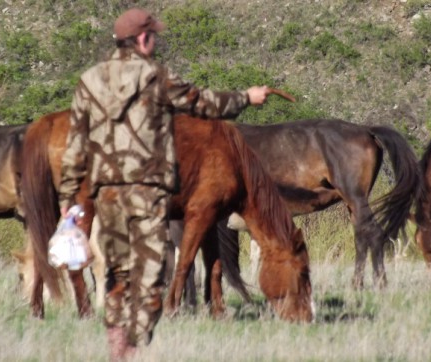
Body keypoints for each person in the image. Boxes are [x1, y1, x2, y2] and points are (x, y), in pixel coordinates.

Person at [57, 7, 273, 360]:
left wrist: (68, 197)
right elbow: (203, 103)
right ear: (142, 39)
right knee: (153, 277)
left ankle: (118, 349)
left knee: (117, 276)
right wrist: (246, 98)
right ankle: (137, 346)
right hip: (148, 195)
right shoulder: (155, 77)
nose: (156, 40)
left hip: (108, 195)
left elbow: (76, 144)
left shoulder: (89, 81)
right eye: (153, 35)